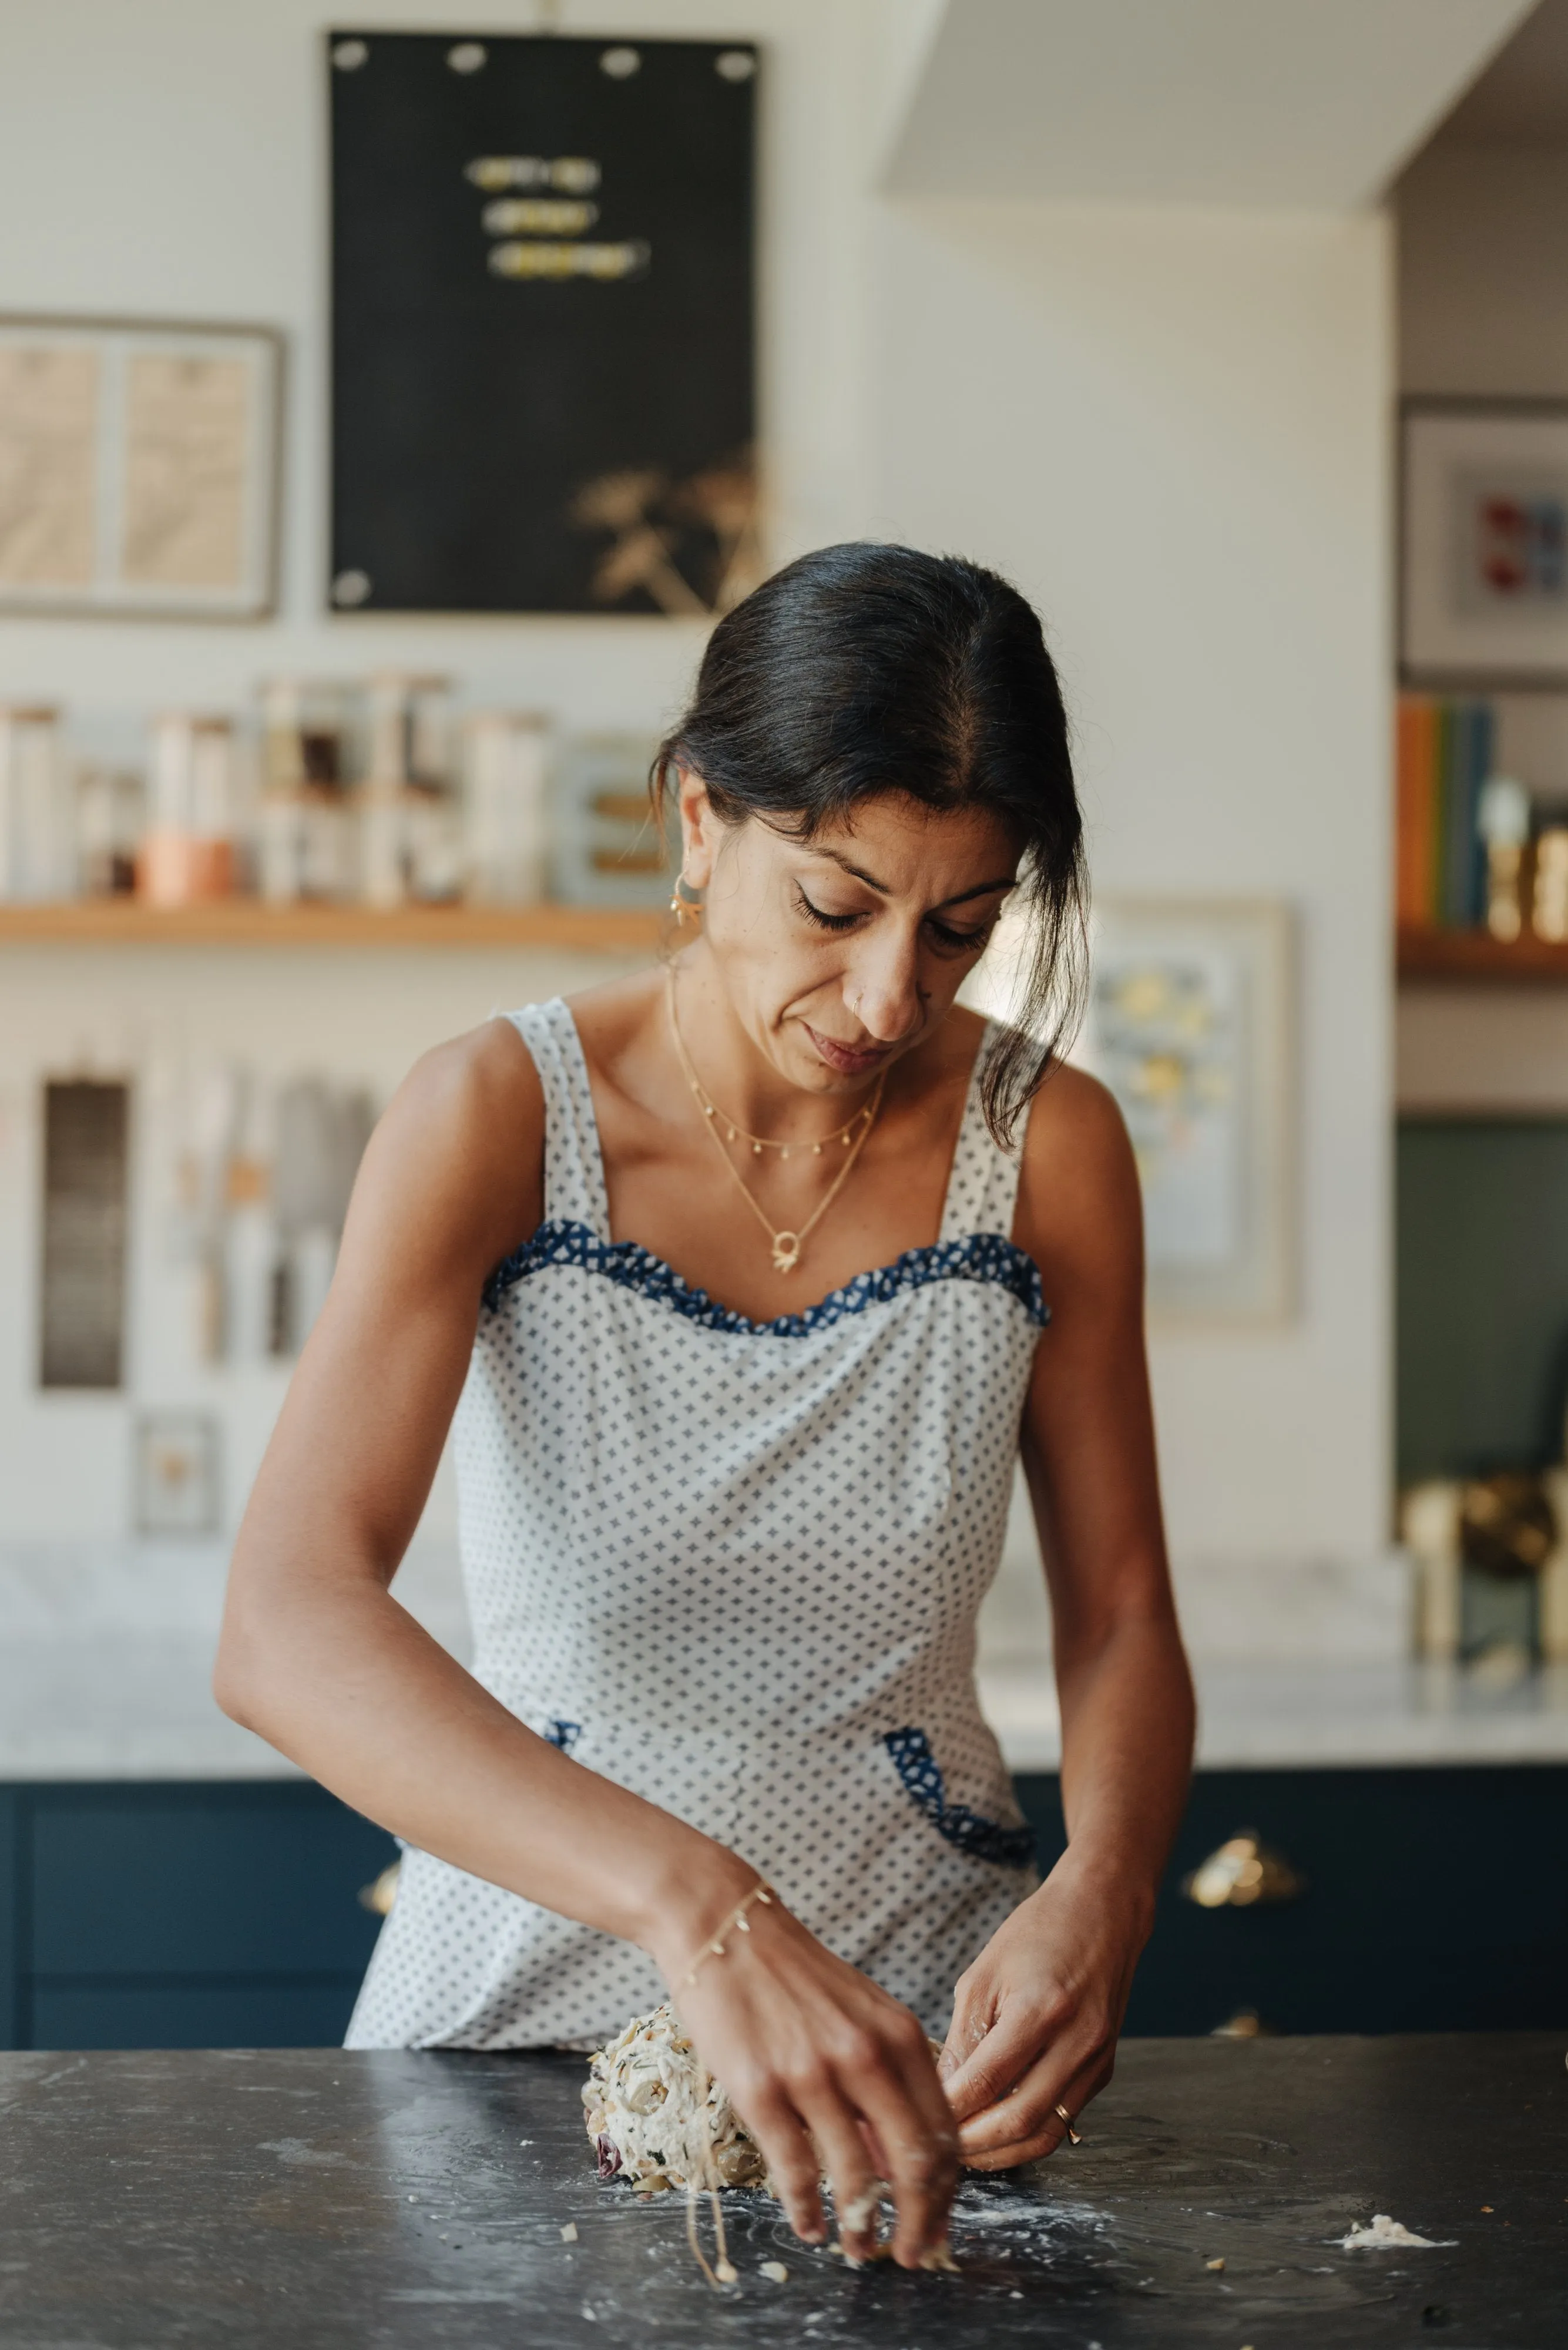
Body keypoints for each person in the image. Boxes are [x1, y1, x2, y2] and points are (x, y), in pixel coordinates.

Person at [216, 542, 1194, 2271]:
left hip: (917, 2056)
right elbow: (287, 1625)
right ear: (694, 822)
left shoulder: (1047, 1147)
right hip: (509, 2015)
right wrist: (705, 1911)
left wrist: (1101, 1890)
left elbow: (1117, 1612)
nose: (892, 997)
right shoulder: (496, 1113)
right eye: (835, 906)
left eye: (961, 928)